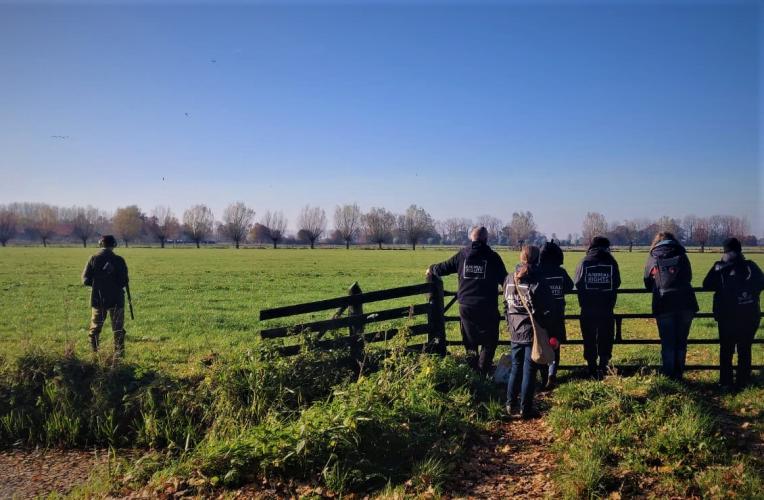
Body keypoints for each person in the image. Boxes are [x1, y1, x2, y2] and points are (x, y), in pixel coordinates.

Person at [427, 226, 508, 376]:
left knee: (470, 342)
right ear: (486, 239)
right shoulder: (493, 257)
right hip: (487, 306)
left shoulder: (463, 255)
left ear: (472, 238)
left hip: (466, 306)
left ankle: (472, 374)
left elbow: (444, 267)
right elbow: (505, 280)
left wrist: (431, 269)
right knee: (490, 341)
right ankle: (482, 373)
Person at [702, 238, 764, 390]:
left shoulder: (719, 267)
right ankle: (743, 381)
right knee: (745, 349)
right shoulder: (751, 266)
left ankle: (726, 382)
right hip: (749, 314)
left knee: (726, 350)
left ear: (725, 250)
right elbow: (762, 283)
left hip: (727, 315)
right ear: (740, 249)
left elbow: (706, 284)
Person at [503, 245, 555, 419]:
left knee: (516, 368)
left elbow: (505, 304)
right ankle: (526, 409)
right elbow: (548, 308)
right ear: (537, 259)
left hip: (514, 329)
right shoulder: (538, 280)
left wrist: (509, 324)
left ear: (521, 257)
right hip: (532, 331)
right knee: (529, 370)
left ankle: (510, 405)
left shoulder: (509, 278)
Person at [643, 232, 698, 380]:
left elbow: (647, 282)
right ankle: (679, 374)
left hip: (664, 303)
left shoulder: (653, 257)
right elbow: (688, 277)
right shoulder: (681, 254)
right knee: (681, 341)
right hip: (686, 302)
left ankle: (669, 376)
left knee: (667, 342)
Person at [574, 236, 621, 378]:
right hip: (606, 308)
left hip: (587, 308)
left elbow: (577, 282)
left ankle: (591, 367)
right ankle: (603, 366)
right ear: (606, 247)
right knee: (606, 336)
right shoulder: (611, 262)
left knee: (589, 338)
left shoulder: (584, 262)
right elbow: (617, 282)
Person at [82, 235, 130, 357]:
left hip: (99, 298)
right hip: (117, 299)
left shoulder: (93, 259)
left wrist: (99, 282)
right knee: (118, 329)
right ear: (114, 245)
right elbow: (124, 281)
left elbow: (85, 280)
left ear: (100, 244)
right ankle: (119, 355)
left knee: (95, 328)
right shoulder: (120, 260)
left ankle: (94, 354)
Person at [538, 241, 574, 390]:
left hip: (541, 316)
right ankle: (552, 374)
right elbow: (570, 286)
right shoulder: (561, 272)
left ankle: (544, 376)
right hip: (557, 315)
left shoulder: (538, 271)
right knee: (555, 345)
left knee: (540, 345)